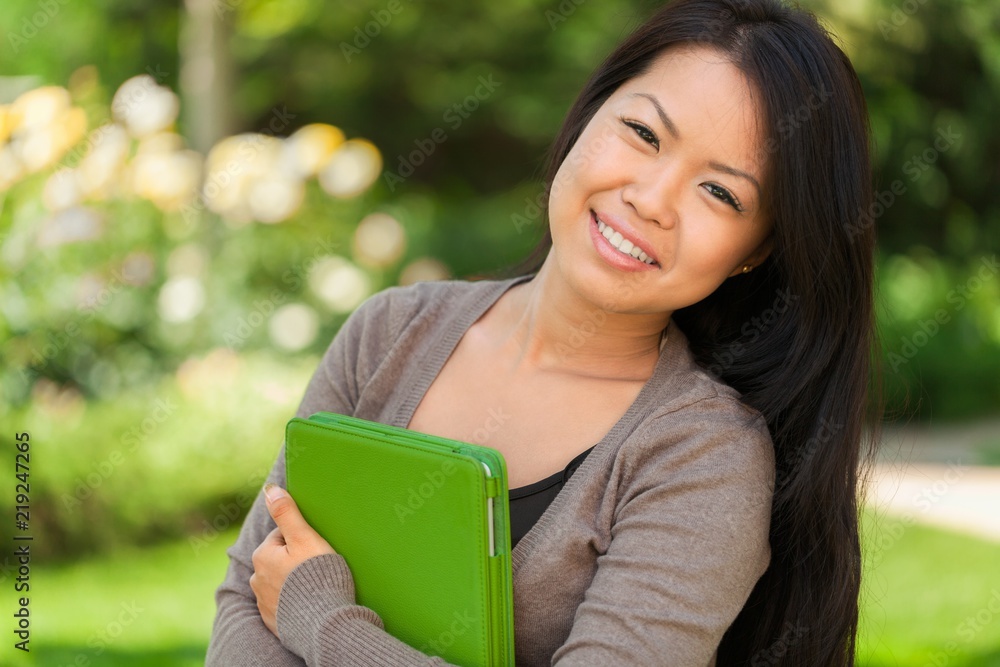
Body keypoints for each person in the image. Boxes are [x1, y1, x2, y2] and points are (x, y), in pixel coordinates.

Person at [205, 0, 880, 663]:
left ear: (755, 252)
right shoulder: (388, 332)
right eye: (643, 134)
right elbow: (249, 592)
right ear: (588, 115)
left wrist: (324, 622)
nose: (650, 200)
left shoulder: (706, 458)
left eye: (720, 193)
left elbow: (290, 599)